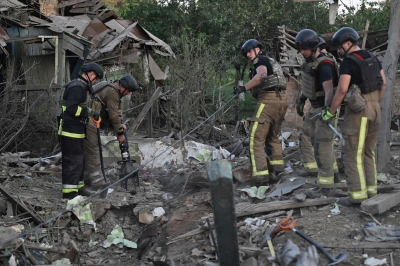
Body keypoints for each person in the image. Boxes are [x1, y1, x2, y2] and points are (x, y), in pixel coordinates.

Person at [322, 27, 386, 205]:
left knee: (352, 154)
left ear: (348, 43)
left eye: (340, 48)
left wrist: (330, 112)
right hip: (376, 109)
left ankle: (357, 197)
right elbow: (384, 84)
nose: (339, 52)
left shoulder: (348, 62)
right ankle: (371, 192)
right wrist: (374, 104)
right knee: (368, 152)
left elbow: (342, 90)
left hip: (359, 112)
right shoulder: (373, 58)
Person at [234, 39, 288, 183]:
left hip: (268, 101)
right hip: (282, 100)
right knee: (273, 137)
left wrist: (244, 88)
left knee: (255, 138)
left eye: (250, 51)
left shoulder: (261, 60)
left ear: (258, 49)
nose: (248, 55)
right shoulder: (271, 61)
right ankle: (279, 172)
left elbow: (262, 76)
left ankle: (260, 177)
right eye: (246, 53)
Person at [294, 29, 339, 194]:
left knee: (322, 145)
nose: (302, 52)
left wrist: (327, 113)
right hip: (314, 107)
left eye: (305, 49)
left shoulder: (325, 65)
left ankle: (326, 186)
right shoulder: (310, 64)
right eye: (301, 49)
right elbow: (308, 85)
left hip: (324, 108)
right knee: (315, 142)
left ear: (314, 47)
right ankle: (334, 175)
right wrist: (301, 101)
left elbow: (329, 92)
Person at [84, 74, 141, 189]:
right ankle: (97, 182)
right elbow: (113, 116)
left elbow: (116, 113)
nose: (128, 94)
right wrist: (120, 134)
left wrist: (120, 126)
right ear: (123, 86)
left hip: (92, 121)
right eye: (128, 91)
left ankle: (86, 178)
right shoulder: (113, 92)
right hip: (89, 121)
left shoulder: (114, 90)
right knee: (93, 150)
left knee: (88, 150)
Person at [58, 62, 104, 199]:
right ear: (90, 75)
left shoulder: (81, 87)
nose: (95, 82)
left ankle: (79, 187)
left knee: (79, 161)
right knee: (72, 161)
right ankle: (69, 193)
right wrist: (90, 112)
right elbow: (72, 108)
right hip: (70, 130)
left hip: (76, 131)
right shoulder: (77, 87)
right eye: (95, 78)